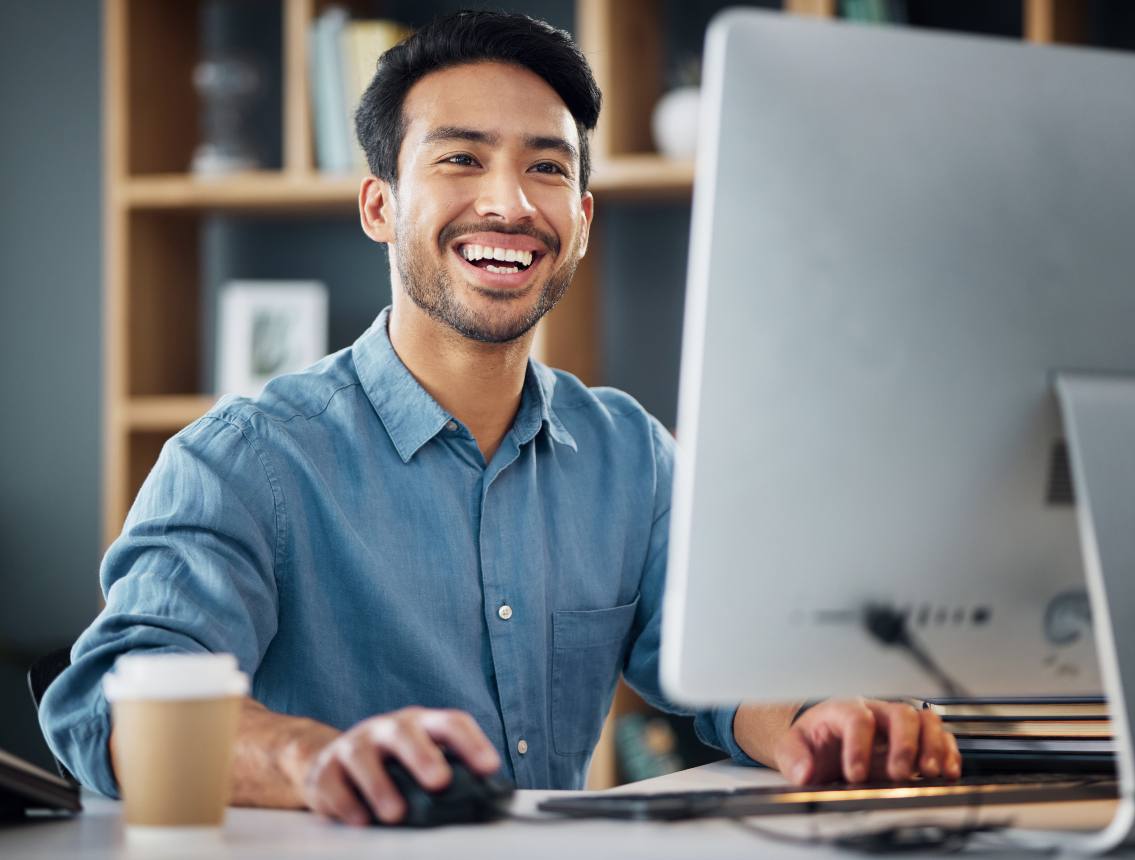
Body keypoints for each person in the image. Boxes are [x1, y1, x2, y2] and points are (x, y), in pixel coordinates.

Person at [40, 11, 960, 826]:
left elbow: (722, 668)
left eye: (546, 168)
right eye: (460, 158)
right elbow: (108, 708)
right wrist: (310, 757)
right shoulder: (245, 460)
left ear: (584, 218)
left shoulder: (627, 454)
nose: (511, 204)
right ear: (380, 205)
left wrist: (813, 721)